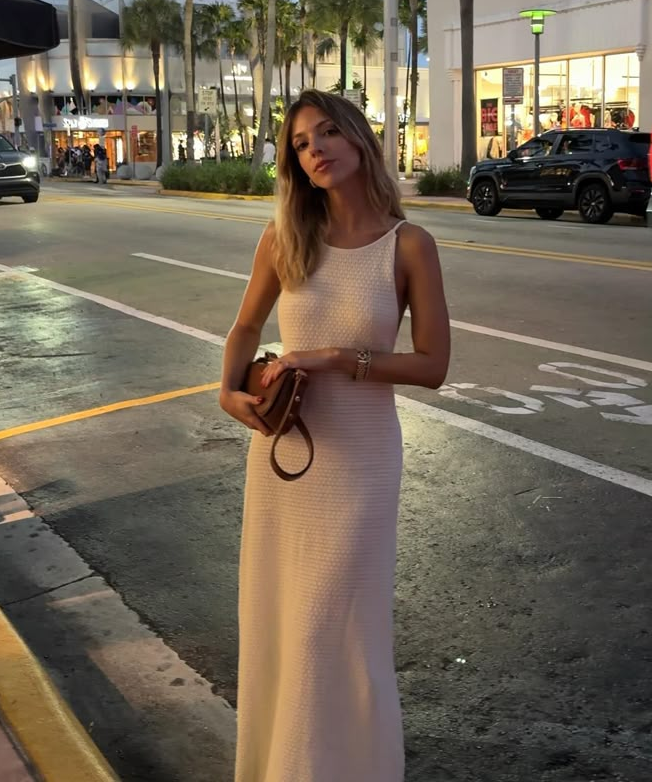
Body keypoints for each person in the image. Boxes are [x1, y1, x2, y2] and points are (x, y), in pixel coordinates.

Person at [219, 89, 450, 782]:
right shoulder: (285, 238)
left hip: (364, 463)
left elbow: (433, 365)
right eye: (299, 143)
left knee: (334, 627)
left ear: (358, 139)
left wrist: (335, 360)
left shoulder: (408, 245)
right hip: (285, 452)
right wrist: (228, 392)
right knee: (280, 618)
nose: (313, 149)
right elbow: (245, 327)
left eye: (325, 133)